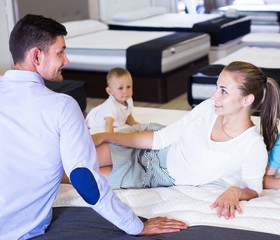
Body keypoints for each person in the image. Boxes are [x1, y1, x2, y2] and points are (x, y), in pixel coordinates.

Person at [0, 14, 187, 240]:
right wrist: (135, 225)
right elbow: (84, 178)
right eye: (60, 52)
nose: (66, 60)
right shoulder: (62, 106)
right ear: (37, 56)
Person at [92, 61, 280, 220]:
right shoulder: (208, 107)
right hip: (150, 142)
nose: (214, 95)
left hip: (154, 174)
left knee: (81, 176)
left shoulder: (252, 146)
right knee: (80, 158)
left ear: (247, 100)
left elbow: (254, 189)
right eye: (216, 87)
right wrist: (107, 135)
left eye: (223, 91)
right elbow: (161, 138)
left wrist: (236, 191)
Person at [86, 67, 139, 132]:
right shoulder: (111, 106)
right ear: (110, 91)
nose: (126, 91)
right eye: (120, 88)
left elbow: (128, 114)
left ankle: (100, 108)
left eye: (128, 87)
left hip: (106, 111)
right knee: (102, 112)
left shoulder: (128, 99)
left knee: (104, 109)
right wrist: (112, 137)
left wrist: (133, 123)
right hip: (93, 121)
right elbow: (108, 125)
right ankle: (94, 112)